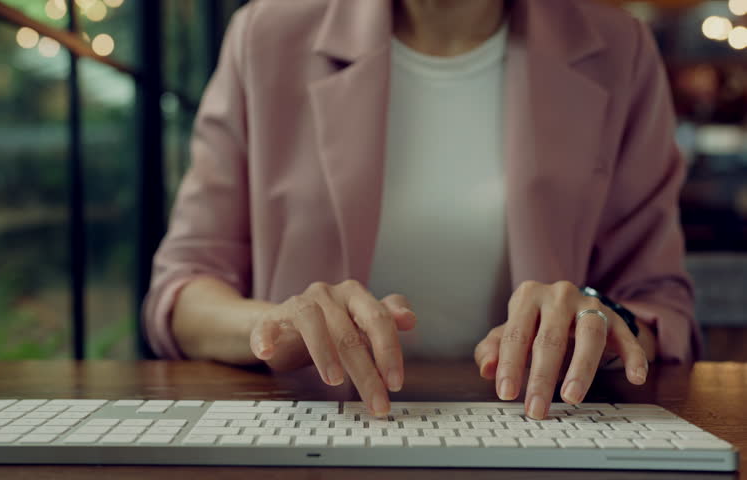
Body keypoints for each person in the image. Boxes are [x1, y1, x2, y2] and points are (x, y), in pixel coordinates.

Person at [144, 0, 701, 420]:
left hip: (542, 427)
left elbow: (660, 306)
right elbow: (183, 291)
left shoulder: (617, 47)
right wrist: (270, 326)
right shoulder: (266, 36)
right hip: (310, 426)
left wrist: (599, 323)